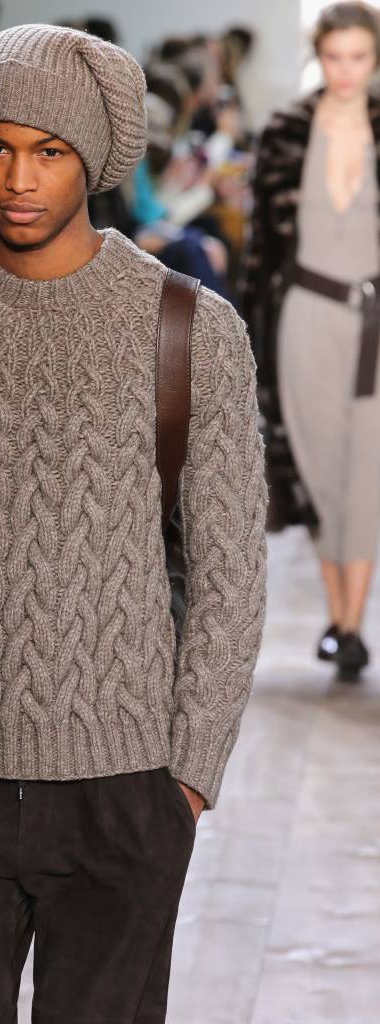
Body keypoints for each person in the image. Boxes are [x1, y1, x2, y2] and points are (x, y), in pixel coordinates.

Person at [0, 23, 267, 1023]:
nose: (18, 178)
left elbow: (228, 573)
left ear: (95, 159)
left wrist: (186, 777)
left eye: (49, 150)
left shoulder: (190, 331)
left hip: (126, 785)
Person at [243, 1, 380, 680]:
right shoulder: (285, 133)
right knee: (321, 465)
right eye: (334, 57)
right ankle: (341, 620)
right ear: (318, 56)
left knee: (369, 469)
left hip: (376, 320)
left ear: (375, 58)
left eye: (359, 57)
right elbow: (261, 247)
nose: (346, 70)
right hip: (305, 315)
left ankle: (349, 625)